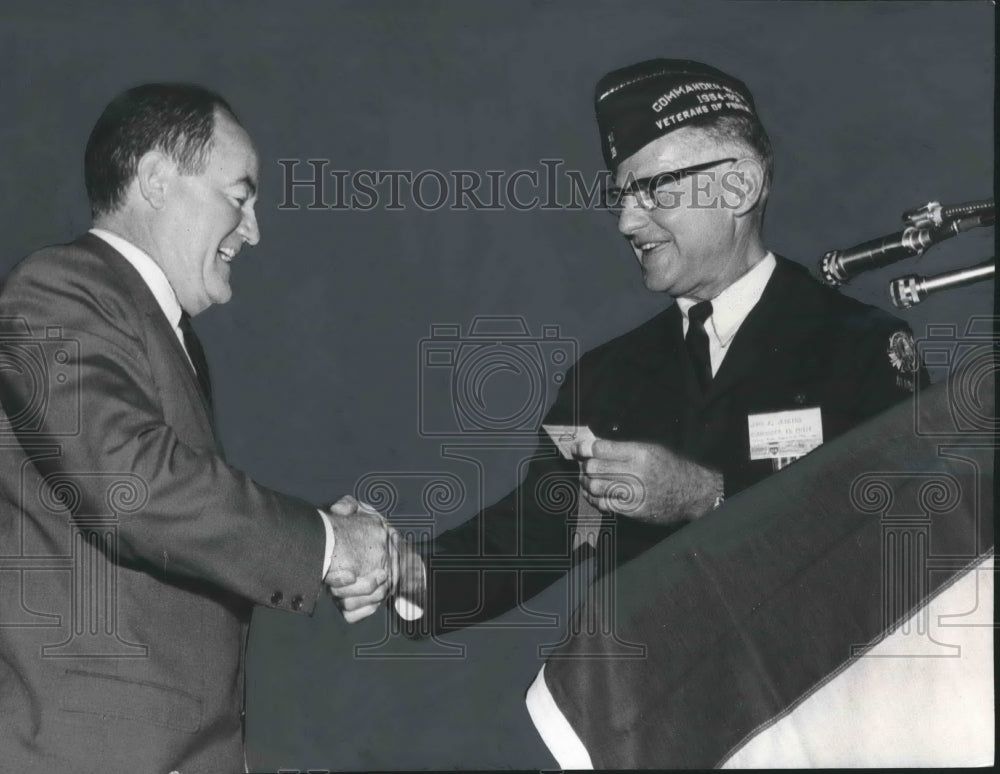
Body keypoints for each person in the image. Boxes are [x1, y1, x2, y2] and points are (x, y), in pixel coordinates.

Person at [414, 59, 927, 631]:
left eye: (654, 189)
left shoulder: (862, 347)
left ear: (739, 186)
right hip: (658, 710)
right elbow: (529, 538)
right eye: (621, 197)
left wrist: (710, 497)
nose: (628, 223)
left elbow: (903, 537)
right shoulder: (605, 378)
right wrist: (396, 571)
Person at [0, 83, 407, 773]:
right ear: (157, 181)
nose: (254, 229)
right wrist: (329, 545)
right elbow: (133, 486)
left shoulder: (158, 330)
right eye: (240, 195)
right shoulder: (56, 290)